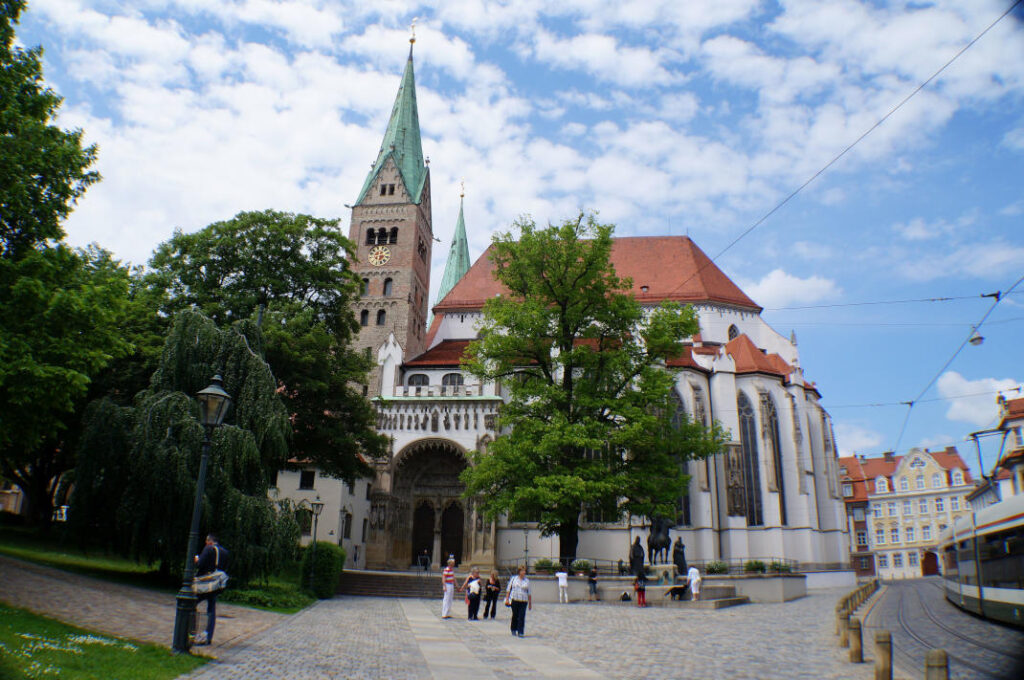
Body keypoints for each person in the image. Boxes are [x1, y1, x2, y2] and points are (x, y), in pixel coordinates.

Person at [193, 534, 228, 645]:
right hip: (215, 585)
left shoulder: (208, 549)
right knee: (211, 609)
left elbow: (200, 564)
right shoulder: (225, 552)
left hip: (205, 583)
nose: (205, 543)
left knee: (191, 603)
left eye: (206, 541)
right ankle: (208, 636)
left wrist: (196, 560)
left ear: (209, 541)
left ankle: (192, 631)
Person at [504, 565, 532, 637]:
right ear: (519, 572)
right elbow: (508, 590)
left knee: (522, 616)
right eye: (523, 571)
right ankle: (513, 628)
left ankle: (520, 631)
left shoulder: (527, 581)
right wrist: (507, 599)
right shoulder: (514, 579)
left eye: (524, 571)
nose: (524, 572)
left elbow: (529, 592)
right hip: (515, 599)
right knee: (515, 615)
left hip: (524, 600)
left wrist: (530, 603)